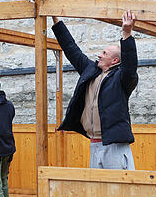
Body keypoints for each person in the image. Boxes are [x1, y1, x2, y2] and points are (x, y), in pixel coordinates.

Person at [51, 10, 138, 170]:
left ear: (114, 60)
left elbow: (130, 66)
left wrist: (126, 33)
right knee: (97, 191)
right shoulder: (90, 71)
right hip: (94, 144)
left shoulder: (121, 79)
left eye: (104, 53)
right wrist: (55, 19)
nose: (99, 55)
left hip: (115, 147)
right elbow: (71, 49)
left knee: (118, 191)